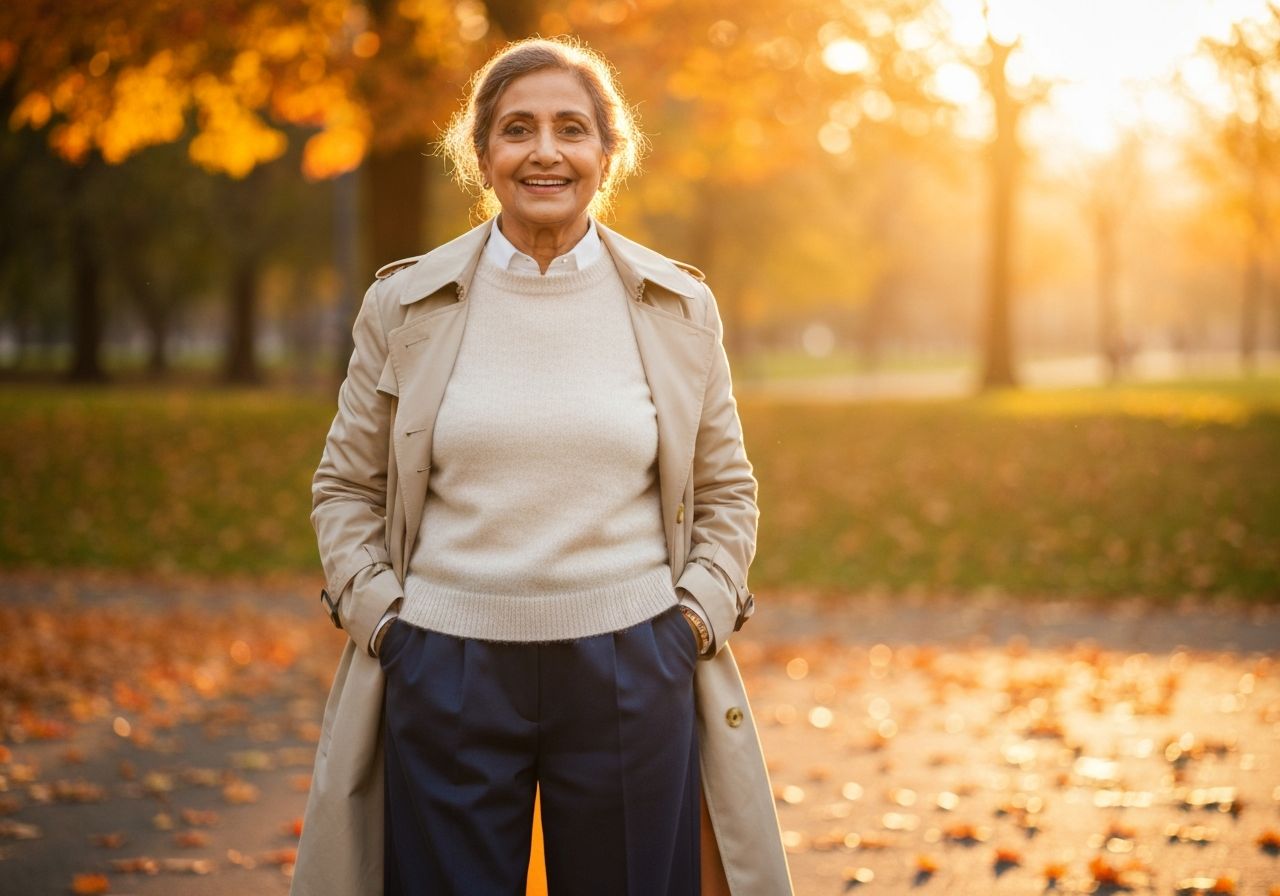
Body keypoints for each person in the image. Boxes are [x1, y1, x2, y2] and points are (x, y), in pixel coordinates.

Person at [291, 36, 792, 896]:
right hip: (444, 665)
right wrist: (386, 626)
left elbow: (726, 489)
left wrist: (693, 624)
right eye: (518, 129)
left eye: (571, 128)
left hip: (634, 665)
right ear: (482, 154)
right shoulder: (404, 303)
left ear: (608, 151)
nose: (546, 151)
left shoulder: (678, 305)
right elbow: (345, 486)